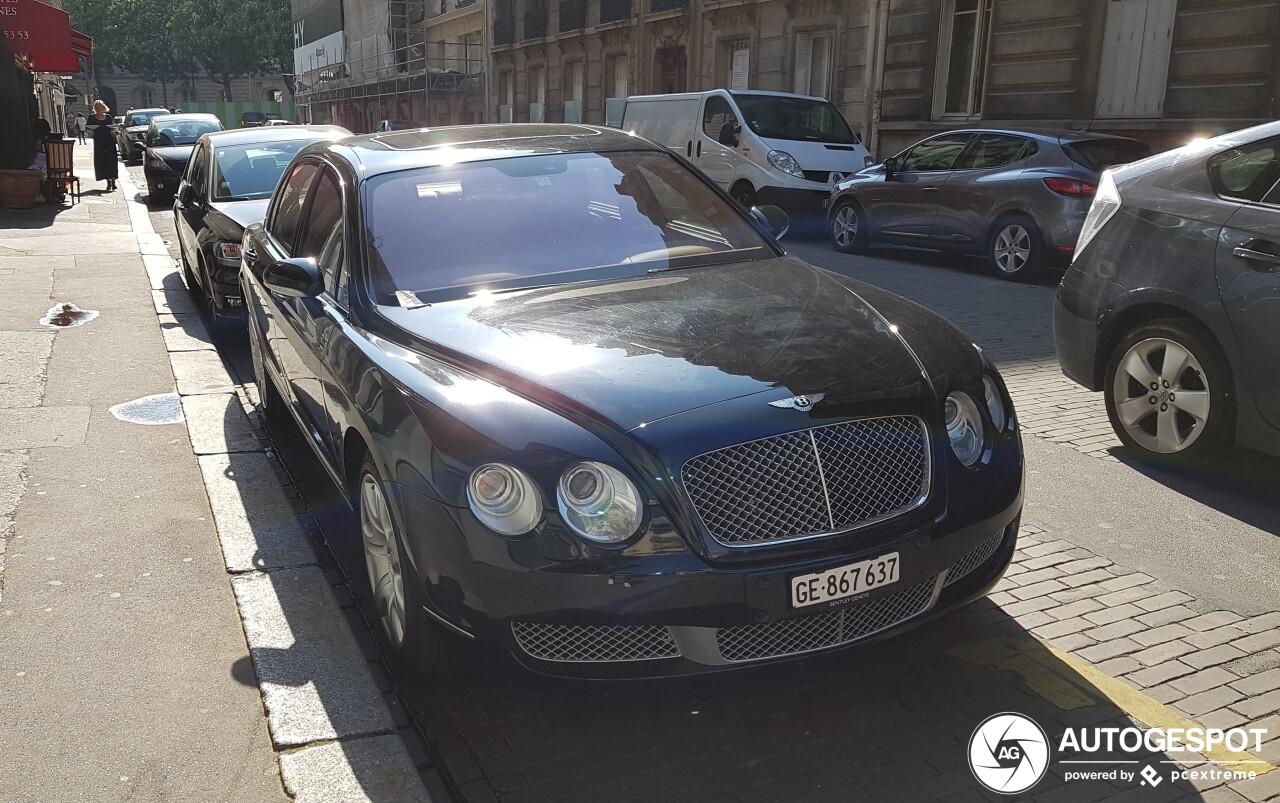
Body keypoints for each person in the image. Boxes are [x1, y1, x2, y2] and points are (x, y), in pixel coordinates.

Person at [85, 100, 118, 192]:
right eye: (97, 108)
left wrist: (114, 129)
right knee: (102, 161)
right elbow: (87, 128)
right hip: (99, 141)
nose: (99, 110)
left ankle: (113, 181)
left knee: (111, 160)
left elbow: (111, 128)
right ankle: (108, 182)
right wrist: (90, 130)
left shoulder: (108, 117)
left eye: (100, 108)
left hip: (109, 141)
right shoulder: (92, 117)